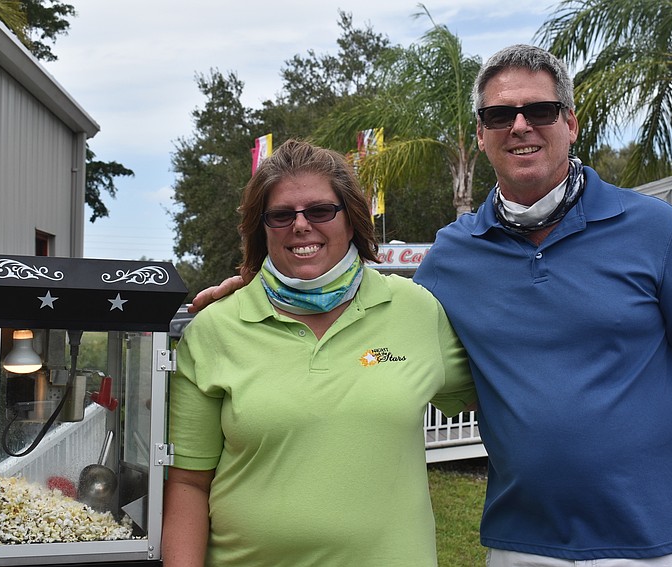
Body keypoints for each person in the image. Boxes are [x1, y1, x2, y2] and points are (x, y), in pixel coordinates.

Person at [190, 46, 672, 567]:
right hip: (523, 545)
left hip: (661, 543)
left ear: (570, 123)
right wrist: (251, 283)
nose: (520, 125)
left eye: (539, 109)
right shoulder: (451, 257)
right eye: (500, 116)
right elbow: (357, 301)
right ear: (483, 136)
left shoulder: (654, 229)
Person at [162, 139, 476, 567]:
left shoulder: (418, 310)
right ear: (262, 228)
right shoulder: (215, 329)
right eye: (280, 215)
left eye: (320, 210)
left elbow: (499, 396)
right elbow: (187, 485)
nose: (301, 225)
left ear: (351, 221)